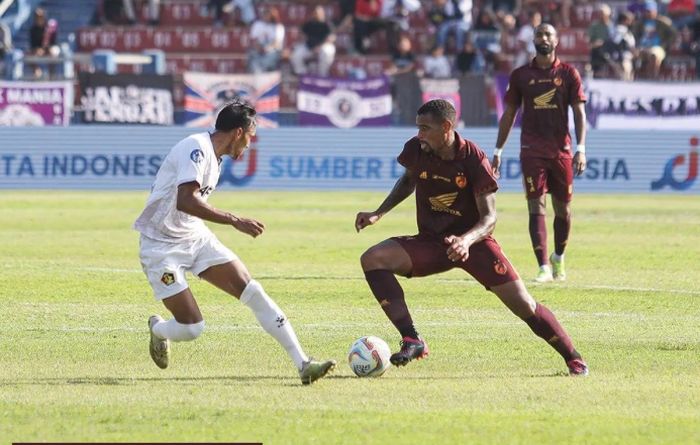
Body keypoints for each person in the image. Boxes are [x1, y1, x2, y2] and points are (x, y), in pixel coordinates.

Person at [355, 99, 588, 376]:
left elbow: (489, 218)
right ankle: (412, 339)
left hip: (475, 245)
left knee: (524, 304)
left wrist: (465, 241)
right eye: (418, 128)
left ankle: (573, 358)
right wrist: (378, 213)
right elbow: (408, 181)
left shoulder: (474, 159)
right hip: (432, 242)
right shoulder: (417, 149)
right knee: (373, 259)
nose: (419, 135)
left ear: (446, 127)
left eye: (425, 128)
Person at [134, 100, 336, 385]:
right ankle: (159, 330)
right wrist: (233, 220)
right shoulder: (196, 148)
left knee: (253, 290)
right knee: (193, 328)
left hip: (194, 235)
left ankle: (303, 364)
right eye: (251, 137)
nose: (250, 145)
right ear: (239, 132)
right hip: (160, 245)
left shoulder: (215, 158)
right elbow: (185, 200)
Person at [492, 23, 587, 283]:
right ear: (533, 40)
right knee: (536, 206)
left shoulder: (568, 73)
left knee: (563, 210)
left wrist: (580, 148)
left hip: (562, 150)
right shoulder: (521, 75)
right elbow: (509, 114)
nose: (543, 38)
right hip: (531, 150)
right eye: (539, 34)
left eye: (548, 34)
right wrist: (498, 149)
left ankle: (558, 256)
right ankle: (543, 265)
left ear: (556, 41)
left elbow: (579, 112)